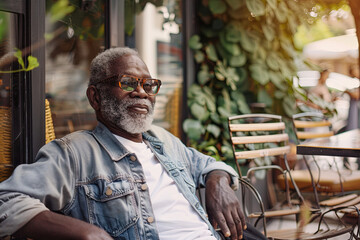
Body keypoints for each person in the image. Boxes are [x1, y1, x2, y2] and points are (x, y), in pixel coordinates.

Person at [0, 47, 266, 240]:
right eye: (128, 82)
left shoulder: (163, 141)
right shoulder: (74, 153)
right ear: (95, 97)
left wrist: (217, 181)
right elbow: (8, 199)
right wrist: (86, 233)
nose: (141, 92)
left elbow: (208, 164)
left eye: (148, 85)